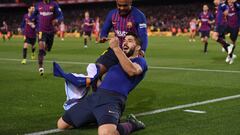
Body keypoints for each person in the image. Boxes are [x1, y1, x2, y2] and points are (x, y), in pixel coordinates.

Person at [56, 32, 148, 135]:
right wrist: (90, 80)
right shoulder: (118, 62)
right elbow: (105, 83)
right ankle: (97, 117)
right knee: (61, 125)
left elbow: (132, 71)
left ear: (138, 47)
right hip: (96, 97)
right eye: (125, 41)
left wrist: (116, 48)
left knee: (106, 134)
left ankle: (132, 124)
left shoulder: (140, 61)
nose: (125, 43)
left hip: (112, 100)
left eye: (130, 41)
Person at [94, 0, 148, 91]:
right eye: (120, 5)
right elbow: (105, 29)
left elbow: (143, 35)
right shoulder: (112, 14)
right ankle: (99, 98)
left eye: (125, 6)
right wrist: (103, 36)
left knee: (120, 81)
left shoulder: (138, 16)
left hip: (130, 52)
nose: (122, 8)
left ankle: (113, 98)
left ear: (130, 3)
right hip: (116, 48)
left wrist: (142, 50)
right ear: (116, 3)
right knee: (95, 73)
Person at [31, 0, 64, 75]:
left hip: (51, 32)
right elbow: (33, 16)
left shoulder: (54, 4)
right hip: (41, 31)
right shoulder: (38, 5)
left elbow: (61, 15)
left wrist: (57, 19)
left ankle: (44, 51)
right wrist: (32, 20)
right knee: (41, 48)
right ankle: (40, 67)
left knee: (47, 48)